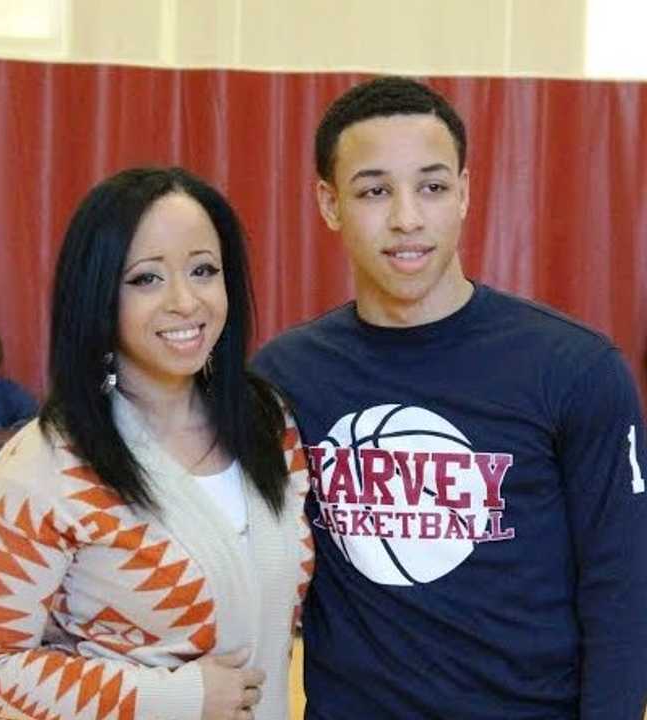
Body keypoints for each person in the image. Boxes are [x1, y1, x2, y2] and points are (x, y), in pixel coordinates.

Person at [252, 76, 647, 719]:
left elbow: (622, 590)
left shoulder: (575, 369)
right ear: (329, 203)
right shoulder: (285, 378)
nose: (407, 217)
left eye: (432, 187)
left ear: (464, 192)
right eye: (375, 190)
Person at [0, 167, 313, 720]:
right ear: (98, 294)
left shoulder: (268, 424)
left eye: (204, 270)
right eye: (146, 278)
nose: (186, 301)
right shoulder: (45, 464)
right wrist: (175, 699)